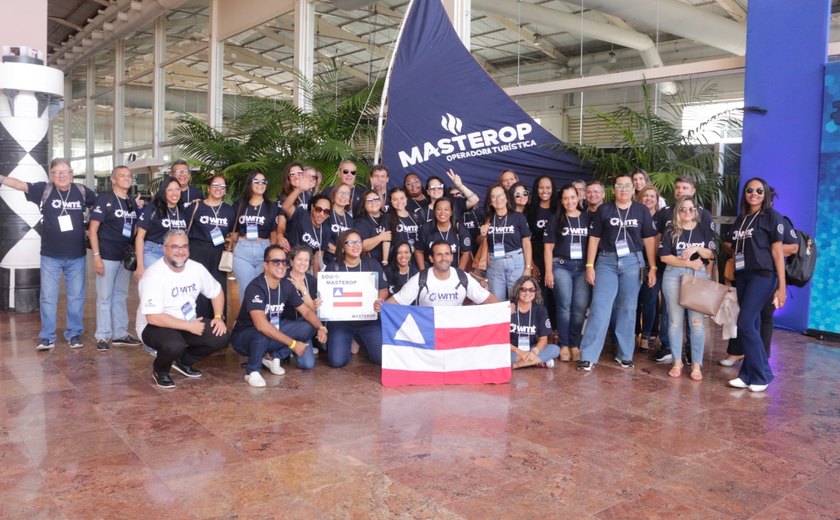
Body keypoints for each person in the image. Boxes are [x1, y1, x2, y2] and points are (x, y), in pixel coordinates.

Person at [0, 158, 96, 350]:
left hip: (77, 255)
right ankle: (47, 337)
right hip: (50, 256)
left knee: (76, 296)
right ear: (52, 175)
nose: (61, 175)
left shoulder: (82, 191)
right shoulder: (43, 190)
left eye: (65, 171)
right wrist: (1, 178)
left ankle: (74, 333)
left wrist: (88, 226)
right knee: (48, 297)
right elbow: (19, 184)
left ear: (71, 173)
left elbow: (101, 208)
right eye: (57, 172)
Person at [577, 175, 657, 372]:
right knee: (600, 307)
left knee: (628, 309)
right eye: (619, 186)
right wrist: (589, 265)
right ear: (613, 189)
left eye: (627, 186)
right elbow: (594, 238)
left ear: (633, 189)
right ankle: (588, 355)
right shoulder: (604, 209)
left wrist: (652, 267)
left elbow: (649, 240)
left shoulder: (641, 210)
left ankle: (625, 355)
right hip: (607, 261)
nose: (623, 189)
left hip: (633, 262)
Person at [136, 229, 229, 389]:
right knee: (174, 345)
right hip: (155, 326)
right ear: (165, 249)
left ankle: (183, 361)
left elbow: (217, 292)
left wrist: (219, 317)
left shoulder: (196, 268)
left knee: (221, 335)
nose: (180, 251)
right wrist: (188, 326)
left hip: (188, 322)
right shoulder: (153, 275)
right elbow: (153, 317)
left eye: (184, 246)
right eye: (175, 247)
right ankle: (161, 371)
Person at [230, 245, 327, 387]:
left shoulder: (286, 285)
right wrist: (293, 344)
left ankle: (273, 357)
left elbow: (306, 311)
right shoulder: (256, 287)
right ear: (266, 265)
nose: (281, 265)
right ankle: (252, 371)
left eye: (284, 262)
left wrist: (321, 327)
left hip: (273, 331)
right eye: (276, 262)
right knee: (262, 331)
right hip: (245, 338)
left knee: (309, 326)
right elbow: (261, 325)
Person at [723, 178, 786, 393]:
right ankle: (747, 374)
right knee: (754, 325)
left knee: (745, 322)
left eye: (759, 190)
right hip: (743, 276)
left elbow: (778, 252)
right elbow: (731, 245)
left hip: (763, 275)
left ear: (766, 194)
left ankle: (762, 373)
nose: (754, 193)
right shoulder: (742, 219)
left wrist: (782, 286)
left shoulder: (771, 217)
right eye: (750, 190)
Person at [650, 175, 715, 364]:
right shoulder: (669, 223)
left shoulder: (704, 221)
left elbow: (711, 253)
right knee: (672, 318)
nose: (680, 191)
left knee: (696, 322)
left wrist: (706, 271)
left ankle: (694, 361)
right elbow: (659, 245)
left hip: (697, 277)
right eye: (677, 187)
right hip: (671, 273)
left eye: (685, 188)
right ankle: (672, 354)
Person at [88, 165, 142, 351]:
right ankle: (102, 335)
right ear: (113, 179)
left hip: (124, 257)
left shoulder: (131, 202)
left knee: (120, 296)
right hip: (107, 256)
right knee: (104, 297)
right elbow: (92, 230)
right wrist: (96, 256)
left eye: (129, 176)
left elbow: (134, 228)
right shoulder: (104, 199)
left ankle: (119, 333)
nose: (127, 178)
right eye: (122, 175)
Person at [323, 229, 389, 368]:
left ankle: (358, 338)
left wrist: (380, 300)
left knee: (382, 358)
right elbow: (325, 296)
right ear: (342, 248)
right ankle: (349, 338)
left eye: (358, 242)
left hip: (368, 321)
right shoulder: (333, 267)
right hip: (342, 322)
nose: (356, 245)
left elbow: (383, 289)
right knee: (337, 362)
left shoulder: (372, 264)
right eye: (351, 242)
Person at [544, 184, 591, 363]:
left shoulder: (588, 218)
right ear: (561, 201)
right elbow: (548, 249)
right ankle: (564, 344)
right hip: (561, 265)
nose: (569, 201)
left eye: (572, 197)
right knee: (564, 306)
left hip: (582, 267)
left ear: (578, 197)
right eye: (565, 198)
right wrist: (549, 271)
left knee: (579, 308)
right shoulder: (556, 219)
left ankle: (574, 344)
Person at [185, 174, 236, 320]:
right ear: (208, 188)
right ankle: (195, 321)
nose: (218, 189)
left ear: (225, 190)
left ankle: (217, 321)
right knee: (197, 287)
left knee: (217, 287)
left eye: (222, 186)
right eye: (215, 185)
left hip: (218, 254)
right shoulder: (196, 206)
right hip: (197, 252)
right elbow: (184, 231)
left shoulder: (229, 210)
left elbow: (233, 234)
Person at [388, 240, 498, 306]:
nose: (444, 258)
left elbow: (488, 299)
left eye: (447, 254)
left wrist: (505, 307)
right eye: (439, 254)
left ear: (452, 257)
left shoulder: (463, 277)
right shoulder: (421, 279)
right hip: (428, 335)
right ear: (431, 258)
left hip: (455, 334)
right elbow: (397, 301)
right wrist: (380, 306)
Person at [230, 170, 280, 303]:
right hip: (242, 251)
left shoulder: (272, 207)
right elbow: (234, 231)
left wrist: (273, 254)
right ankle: (246, 322)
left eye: (263, 181)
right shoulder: (239, 204)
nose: (260, 184)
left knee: (261, 288)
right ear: (250, 184)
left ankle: (260, 321)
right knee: (246, 288)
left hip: (263, 251)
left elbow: (273, 233)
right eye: (256, 181)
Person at [480, 183, 533, 300]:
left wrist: (528, 267)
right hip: (495, 264)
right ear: (490, 201)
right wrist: (482, 233)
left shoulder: (518, 217)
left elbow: (526, 243)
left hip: (516, 261)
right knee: (497, 302)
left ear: (507, 198)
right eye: (493, 197)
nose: (498, 199)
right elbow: (481, 242)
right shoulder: (488, 218)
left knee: (517, 300)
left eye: (501, 195)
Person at [135, 177, 186, 282]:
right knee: (155, 288)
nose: (174, 193)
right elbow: (140, 237)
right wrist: (140, 265)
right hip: (153, 252)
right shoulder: (153, 208)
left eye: (177, 189)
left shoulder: (182, 210)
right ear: (164, 192)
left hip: (175, 254)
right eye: (170, 190)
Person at [509, 276, 561, 369]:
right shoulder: (510, 308)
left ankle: (517, 365)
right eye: (523, 290)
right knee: (499, 354)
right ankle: (537, 361)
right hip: (513, 350)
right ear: (517, 291)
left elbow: (543, 339)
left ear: (535, 292)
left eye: (531, 290)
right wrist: (520, 352)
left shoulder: (540, 310)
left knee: (555, 349)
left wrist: (535, 351)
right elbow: (501, 340)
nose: (527, 293)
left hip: (531, 348)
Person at [635, 184, 663, 352]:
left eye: (652, 196)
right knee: (635, 301)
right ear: (640, 198)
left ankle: (646, 335)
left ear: (657, 200)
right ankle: (634, 333)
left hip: (654, 266)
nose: (649, 199)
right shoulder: (634, 214)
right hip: (635, 264)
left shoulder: (662, 217)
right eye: (645, 196)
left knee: (650, 300)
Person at [415, 197, 471, 270]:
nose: (442, 212)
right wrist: (423, 272)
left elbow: (466, 252)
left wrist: (459, 272)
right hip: (431, 272)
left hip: (453, 272)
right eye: (439, 209)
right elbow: (418, 251)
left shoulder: (460, 229)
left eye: (446, 209)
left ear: (451, 212)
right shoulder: (425, 228)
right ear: (434, 212)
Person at [286, 194, 331, 274]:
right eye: (318, 209)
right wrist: (300, 188)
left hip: (306, 263)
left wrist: (315, 280)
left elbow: (318, 256)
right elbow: (286, 207)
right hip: (289, 259)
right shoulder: (302, 215)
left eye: (326, 211)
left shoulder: (326, 230)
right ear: (312, 208)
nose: (322, 214)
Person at [356, 189, 392, 265]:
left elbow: (389, 239)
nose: (373, 202)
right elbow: (362, 246)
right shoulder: (360, 222)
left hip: (390, 262)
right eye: (369, 201)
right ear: (364, 204)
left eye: (376, 199)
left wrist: (385, 260)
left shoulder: (387, 217)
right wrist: (380, 237)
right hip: (370, 263)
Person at [388, 187, 420, 255]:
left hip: (416, 255)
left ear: (406, 199)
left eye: (402, 198)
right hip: (398, 256)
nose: (399, 201)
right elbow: (386, 240)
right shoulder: (388, 217)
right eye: (395, 199)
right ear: (390, 201)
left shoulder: (415, 216)